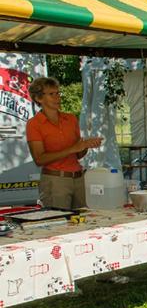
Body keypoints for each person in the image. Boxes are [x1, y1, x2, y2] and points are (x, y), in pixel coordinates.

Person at [26, 77, 102, 209]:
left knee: (82, 222)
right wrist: (73, 148)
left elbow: (78, 154)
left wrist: (86, 145)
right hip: (55, 181)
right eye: (51, 94)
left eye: (58, 93)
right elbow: (39, 159)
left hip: (78, 179)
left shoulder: (70, 118)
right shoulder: (34, 124)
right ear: (39, 99)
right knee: (58, 222)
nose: (57, 97)